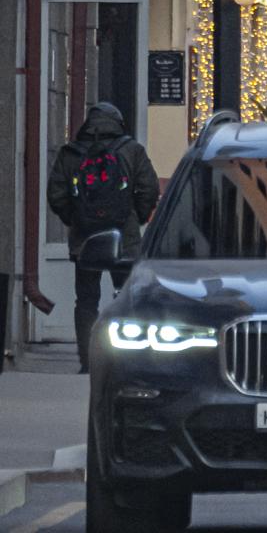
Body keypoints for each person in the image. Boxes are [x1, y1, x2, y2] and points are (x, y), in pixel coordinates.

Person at [48, 102, 160, 371]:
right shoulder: (131, 150)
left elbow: (57, 195)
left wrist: (75, 219)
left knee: (86, 301)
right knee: (127, 297)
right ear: (119, 122)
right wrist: (136, 218)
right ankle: (127, 360)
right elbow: (149, 189)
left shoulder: (70, 153)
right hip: (125, 236)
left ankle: (88, 362)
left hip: (85, 238)